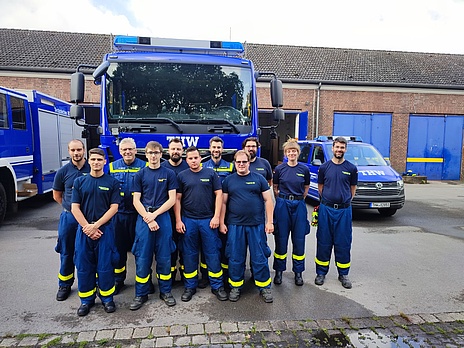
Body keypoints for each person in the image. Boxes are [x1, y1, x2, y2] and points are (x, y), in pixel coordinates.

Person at [220, 150, 274, 303]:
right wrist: (222, 222)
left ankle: (264, 287)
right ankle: (236, 287)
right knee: (235, 257)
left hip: (256, 225)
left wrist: (269, 222)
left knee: (259, 257)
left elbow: (268, 201)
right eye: (238, 162)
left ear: (249, 163)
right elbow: (223, 202)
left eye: (244, 162)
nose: (241, 164)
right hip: (235, 225)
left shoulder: (259, 179)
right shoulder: (228, 181)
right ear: (234, 163)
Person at [71, 148, 120, 316]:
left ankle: (107, 299)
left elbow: (114, 208)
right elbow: (74, 207)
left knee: (105, 266)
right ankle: (86, 301)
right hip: (84, 231)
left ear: (105, 162)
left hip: (104, 231)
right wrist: (88, 228)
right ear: (89, 160)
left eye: (100, 159)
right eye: (93, 159)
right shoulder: (79, 182)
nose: (96, 162)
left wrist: (96, 225)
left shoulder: (112, 182)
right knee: (84, 266)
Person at [175, 146, 228, 302]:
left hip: (208, 220)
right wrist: (178, 220)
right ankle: (190, 287)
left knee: (212, 254)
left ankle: (217, 286)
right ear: (187, 160)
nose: (193, 161)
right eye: (190, 158)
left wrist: (217, 217)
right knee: (189, 254)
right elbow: (177, 199)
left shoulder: (211, 173)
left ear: (201, 159)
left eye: (196, 158)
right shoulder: (182, 176)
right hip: (188, 220)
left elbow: (219, 195)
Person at [130, 141, 178, 310]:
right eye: (150, 153)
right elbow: (136, 200)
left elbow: (172, 199)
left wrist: (154, 216)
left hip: (162, 217)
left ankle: (166, 292)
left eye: (156, 153)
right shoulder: (140, 174)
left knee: (164, 257)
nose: (153, 156)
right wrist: (147, 217)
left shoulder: (169, 174)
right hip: (144, 218)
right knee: (142, 258)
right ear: (146, 154)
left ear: (161, 154)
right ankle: (141, 294)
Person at [314, 136, 358, 289]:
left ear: (345, 149)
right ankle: (321, 273)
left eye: (342, 147)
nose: (339, 150)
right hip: (326, 209)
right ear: (332, 148)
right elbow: (320, 187)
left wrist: (344, 201)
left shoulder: (351, 168)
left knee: (343, 243)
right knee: (323, 241)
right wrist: (328, 200)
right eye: (337, 147)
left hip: (344, 211)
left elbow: (353, 189)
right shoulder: (325, 167)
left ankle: (343, 274)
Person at [52, 139, 90, 301]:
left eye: (79, 150)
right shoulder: (63, 172)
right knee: (66, 252)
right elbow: (57, 195)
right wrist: (71, 209)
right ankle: (65, 284)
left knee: (87, 252)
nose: (76, 153)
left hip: (89, 219)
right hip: (69, 218)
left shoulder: (93, 168)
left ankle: (90, 283)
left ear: (84, 150)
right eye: (73, 150)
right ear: (69, 151)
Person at [108, 138, 147, 295]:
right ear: (120, 151)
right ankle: (119, 280)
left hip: (138, 215)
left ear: (136, 150)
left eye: (130, 149)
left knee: (140, 249)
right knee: (119, 250)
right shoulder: (112, 167)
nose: (127, 152)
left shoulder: (144, 167)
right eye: (124, 150)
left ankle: (143, 281)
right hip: (118, 215)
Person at [272, 139, 311, 286]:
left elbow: (306, 187)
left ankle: (298, 273)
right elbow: (275, 187)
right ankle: (279, 272)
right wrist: (282, 199)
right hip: (282, 204)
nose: (292, 153)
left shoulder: (304, 170)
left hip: (299, 204)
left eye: (294, 151)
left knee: (299, 240)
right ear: (286, 153)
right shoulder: (280, 169)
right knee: (281, 239)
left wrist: (299, 198)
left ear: (298, 153)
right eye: (289, 151)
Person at [201, 136, 234, 287]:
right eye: (213, 147)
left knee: (225, 243)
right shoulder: (203, 166)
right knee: (207, 244)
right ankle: (206, 275)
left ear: (222, 149)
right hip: (208, 211)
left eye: (218, 147)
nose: (216, 150)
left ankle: (225, 273)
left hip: (226, 211)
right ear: (210, 149)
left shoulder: (230, 166)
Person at [161, 138, 189, 283]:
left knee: (185, 247)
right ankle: (170, 275)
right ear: (168, 151)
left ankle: (186, 275)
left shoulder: (188, 167)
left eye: (178, 149)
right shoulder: (162, 168)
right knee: (169, 247)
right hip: (167, 215)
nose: (176, 152)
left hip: (186, 214)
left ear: (182, 151)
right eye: (173, 149)